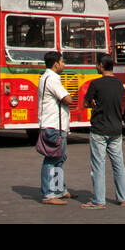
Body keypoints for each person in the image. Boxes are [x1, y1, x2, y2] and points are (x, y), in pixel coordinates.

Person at [81, 54, 125, 209]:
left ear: (101, 66)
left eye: (97, 64)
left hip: (99, 129)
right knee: (118, 164)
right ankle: (123, 198)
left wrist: (93, 103)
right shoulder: (119, 84)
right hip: (116, 128)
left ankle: (98, 200)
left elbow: (85, 102)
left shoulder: (95, 84)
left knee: (98, 165)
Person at [38, 50, 74, 204]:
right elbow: (67, 99)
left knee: (59, 158)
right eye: (62, 61)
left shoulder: (47, 77)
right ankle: (49, 193)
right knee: (52, 159)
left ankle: (59, 189)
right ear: (55, 64)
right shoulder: (52, 79)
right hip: (53, 125)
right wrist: (69, 96)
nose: (64, 64)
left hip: (57, 125)